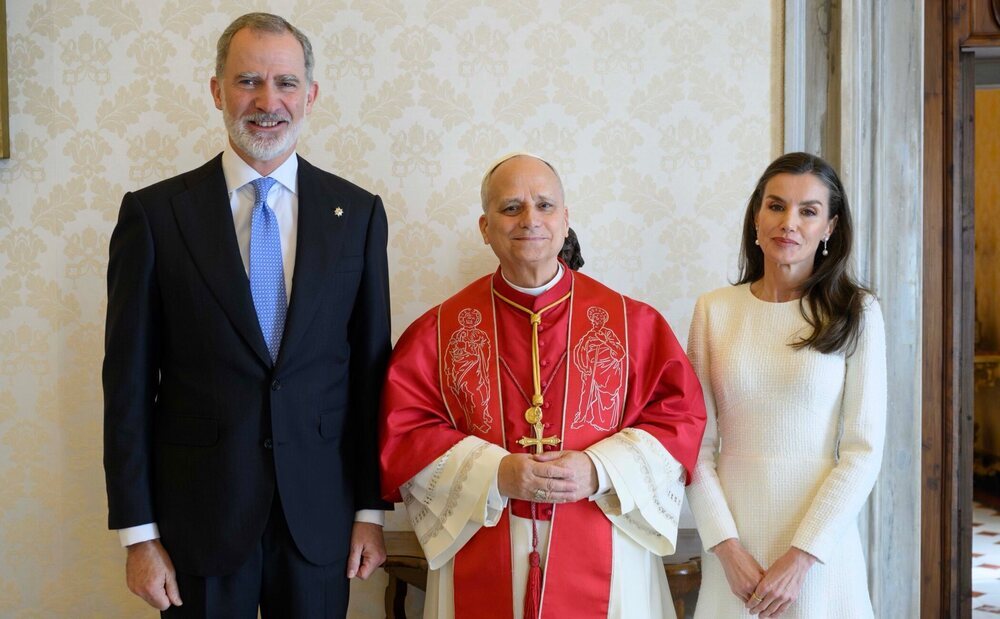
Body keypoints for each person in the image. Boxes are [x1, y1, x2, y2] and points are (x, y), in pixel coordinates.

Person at [102, 13, 391, 618]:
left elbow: (370, 377)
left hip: (318, 520)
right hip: (198, 523)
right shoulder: (155, 217)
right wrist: (138, 535)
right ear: (216, 91)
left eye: (286, 82)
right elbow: (126, 387)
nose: (268, 102)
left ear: (310, 96)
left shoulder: (357, 215)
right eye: (248, 81)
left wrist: (370, 511)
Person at [379, 153, 707, 619]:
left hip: (606, 543)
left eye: (545, 205)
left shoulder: (635, 325)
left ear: (566, 219)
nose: (530, 219)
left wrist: (599, 470)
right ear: (484, 226)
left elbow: (680, 420)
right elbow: (405, 434)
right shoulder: (438, 331)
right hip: (485, 536)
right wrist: (495, 472)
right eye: (511, 208)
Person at [685, 152, 887, 618]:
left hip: (820, 553)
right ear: (756, 215)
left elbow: (863, 450)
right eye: (776, 206)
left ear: (830, 227)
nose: (788, 223)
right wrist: (725, 549)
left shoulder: (857, 311)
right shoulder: (714, 310)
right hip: (733, 552)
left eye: (808, 211)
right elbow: (695, 443)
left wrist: (803, 556)